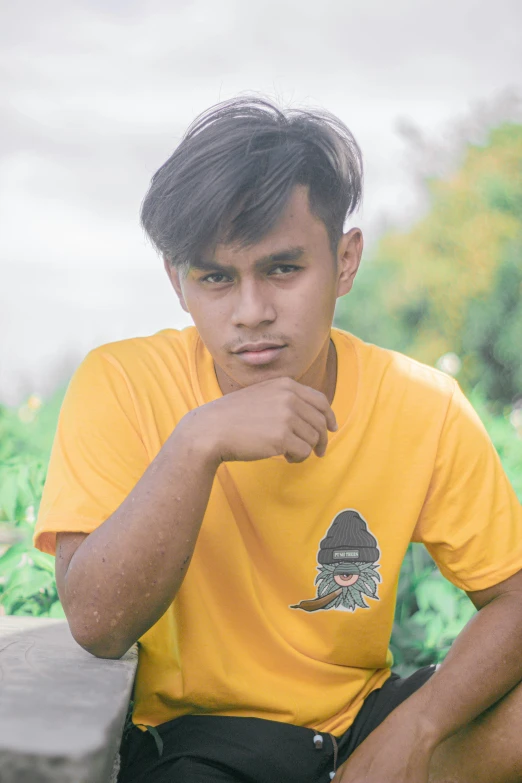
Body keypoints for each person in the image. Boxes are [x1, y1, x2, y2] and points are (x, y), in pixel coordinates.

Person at [33, 97, 522, 783]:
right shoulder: (122, 382)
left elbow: (515, 593)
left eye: (284, 269)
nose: (252, 311)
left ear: (345, 261)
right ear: (178, 282)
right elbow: (96, 622)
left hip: (363, 723)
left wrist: (420, 725)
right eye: (216, 277)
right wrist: (196, 443)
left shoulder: (421, 403)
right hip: (198, 743)